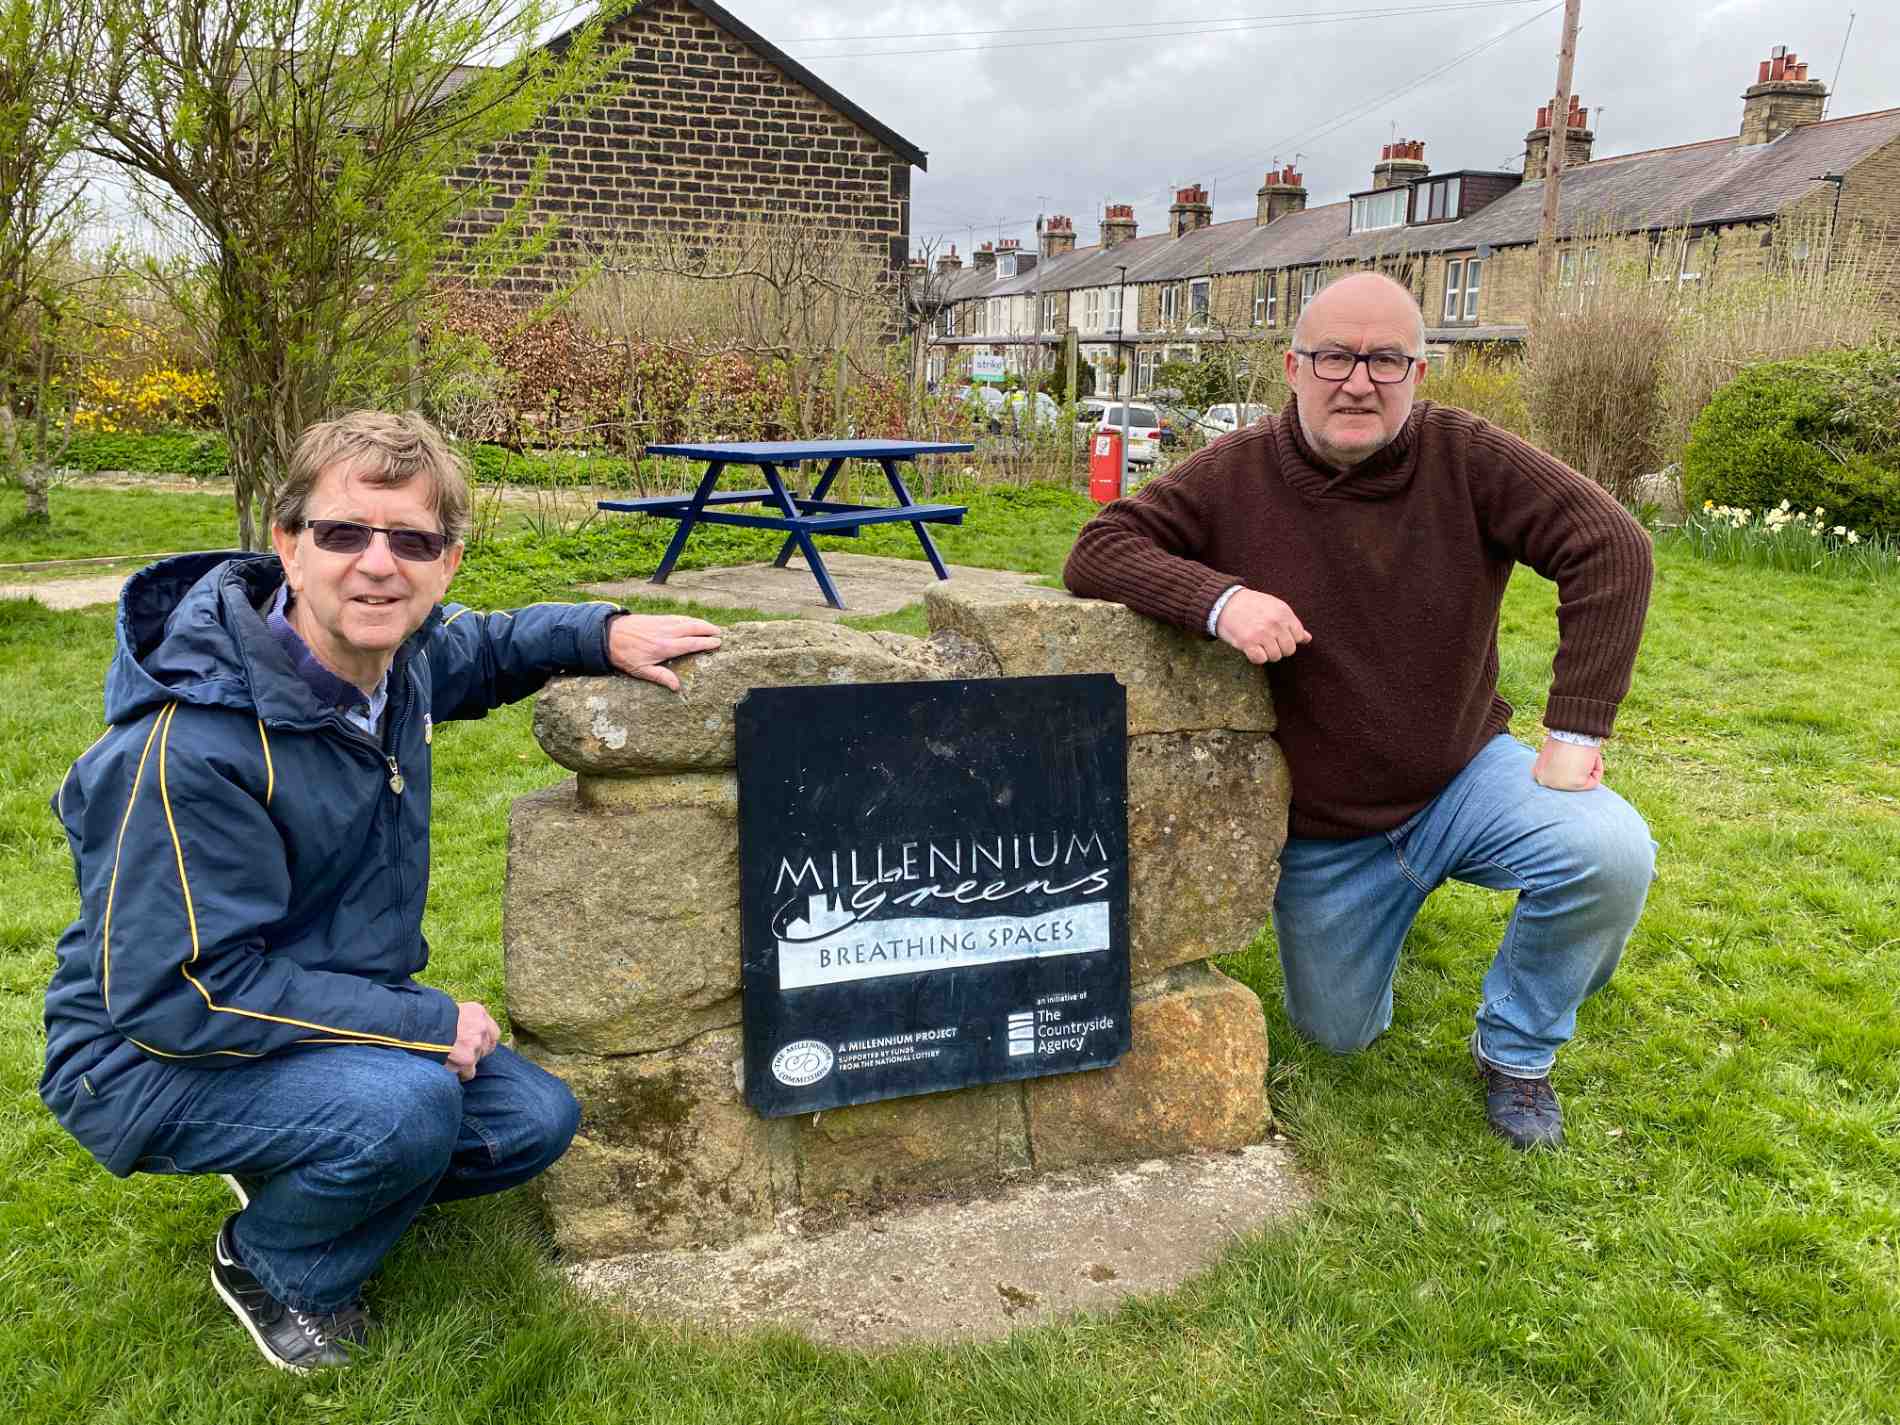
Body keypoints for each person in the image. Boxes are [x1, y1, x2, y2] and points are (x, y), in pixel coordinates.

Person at [39, 410, 721, 1371]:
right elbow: (179, 991)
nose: (377, 563)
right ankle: (273, 1263)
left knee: (534, 1122)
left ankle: (306, 1154)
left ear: (446, 564)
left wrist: (600, 630)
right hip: (140, 1050)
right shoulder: (190, 747)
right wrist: (423, 1025)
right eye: (344, 532)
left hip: (299, 1002)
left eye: (413, 541)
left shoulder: (395, 666)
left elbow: (485, 649)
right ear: (288, 545)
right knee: (408, 1107)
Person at [1064, 272, 1656, 1150]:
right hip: (1328, 837)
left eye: (1386, 359)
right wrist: (1221, 599)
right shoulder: (1234, 473)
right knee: (1338, 1035)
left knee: (1608, 850)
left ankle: (1519, 1051)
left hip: (1462, 779)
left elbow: (1610, 543)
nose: (1359, 380)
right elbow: (1099, 546)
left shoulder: (1466, 457)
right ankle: (1376, 934)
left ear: (1420, 372)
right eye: (1336, 355)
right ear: (1293, 366)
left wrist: (1574, 733)